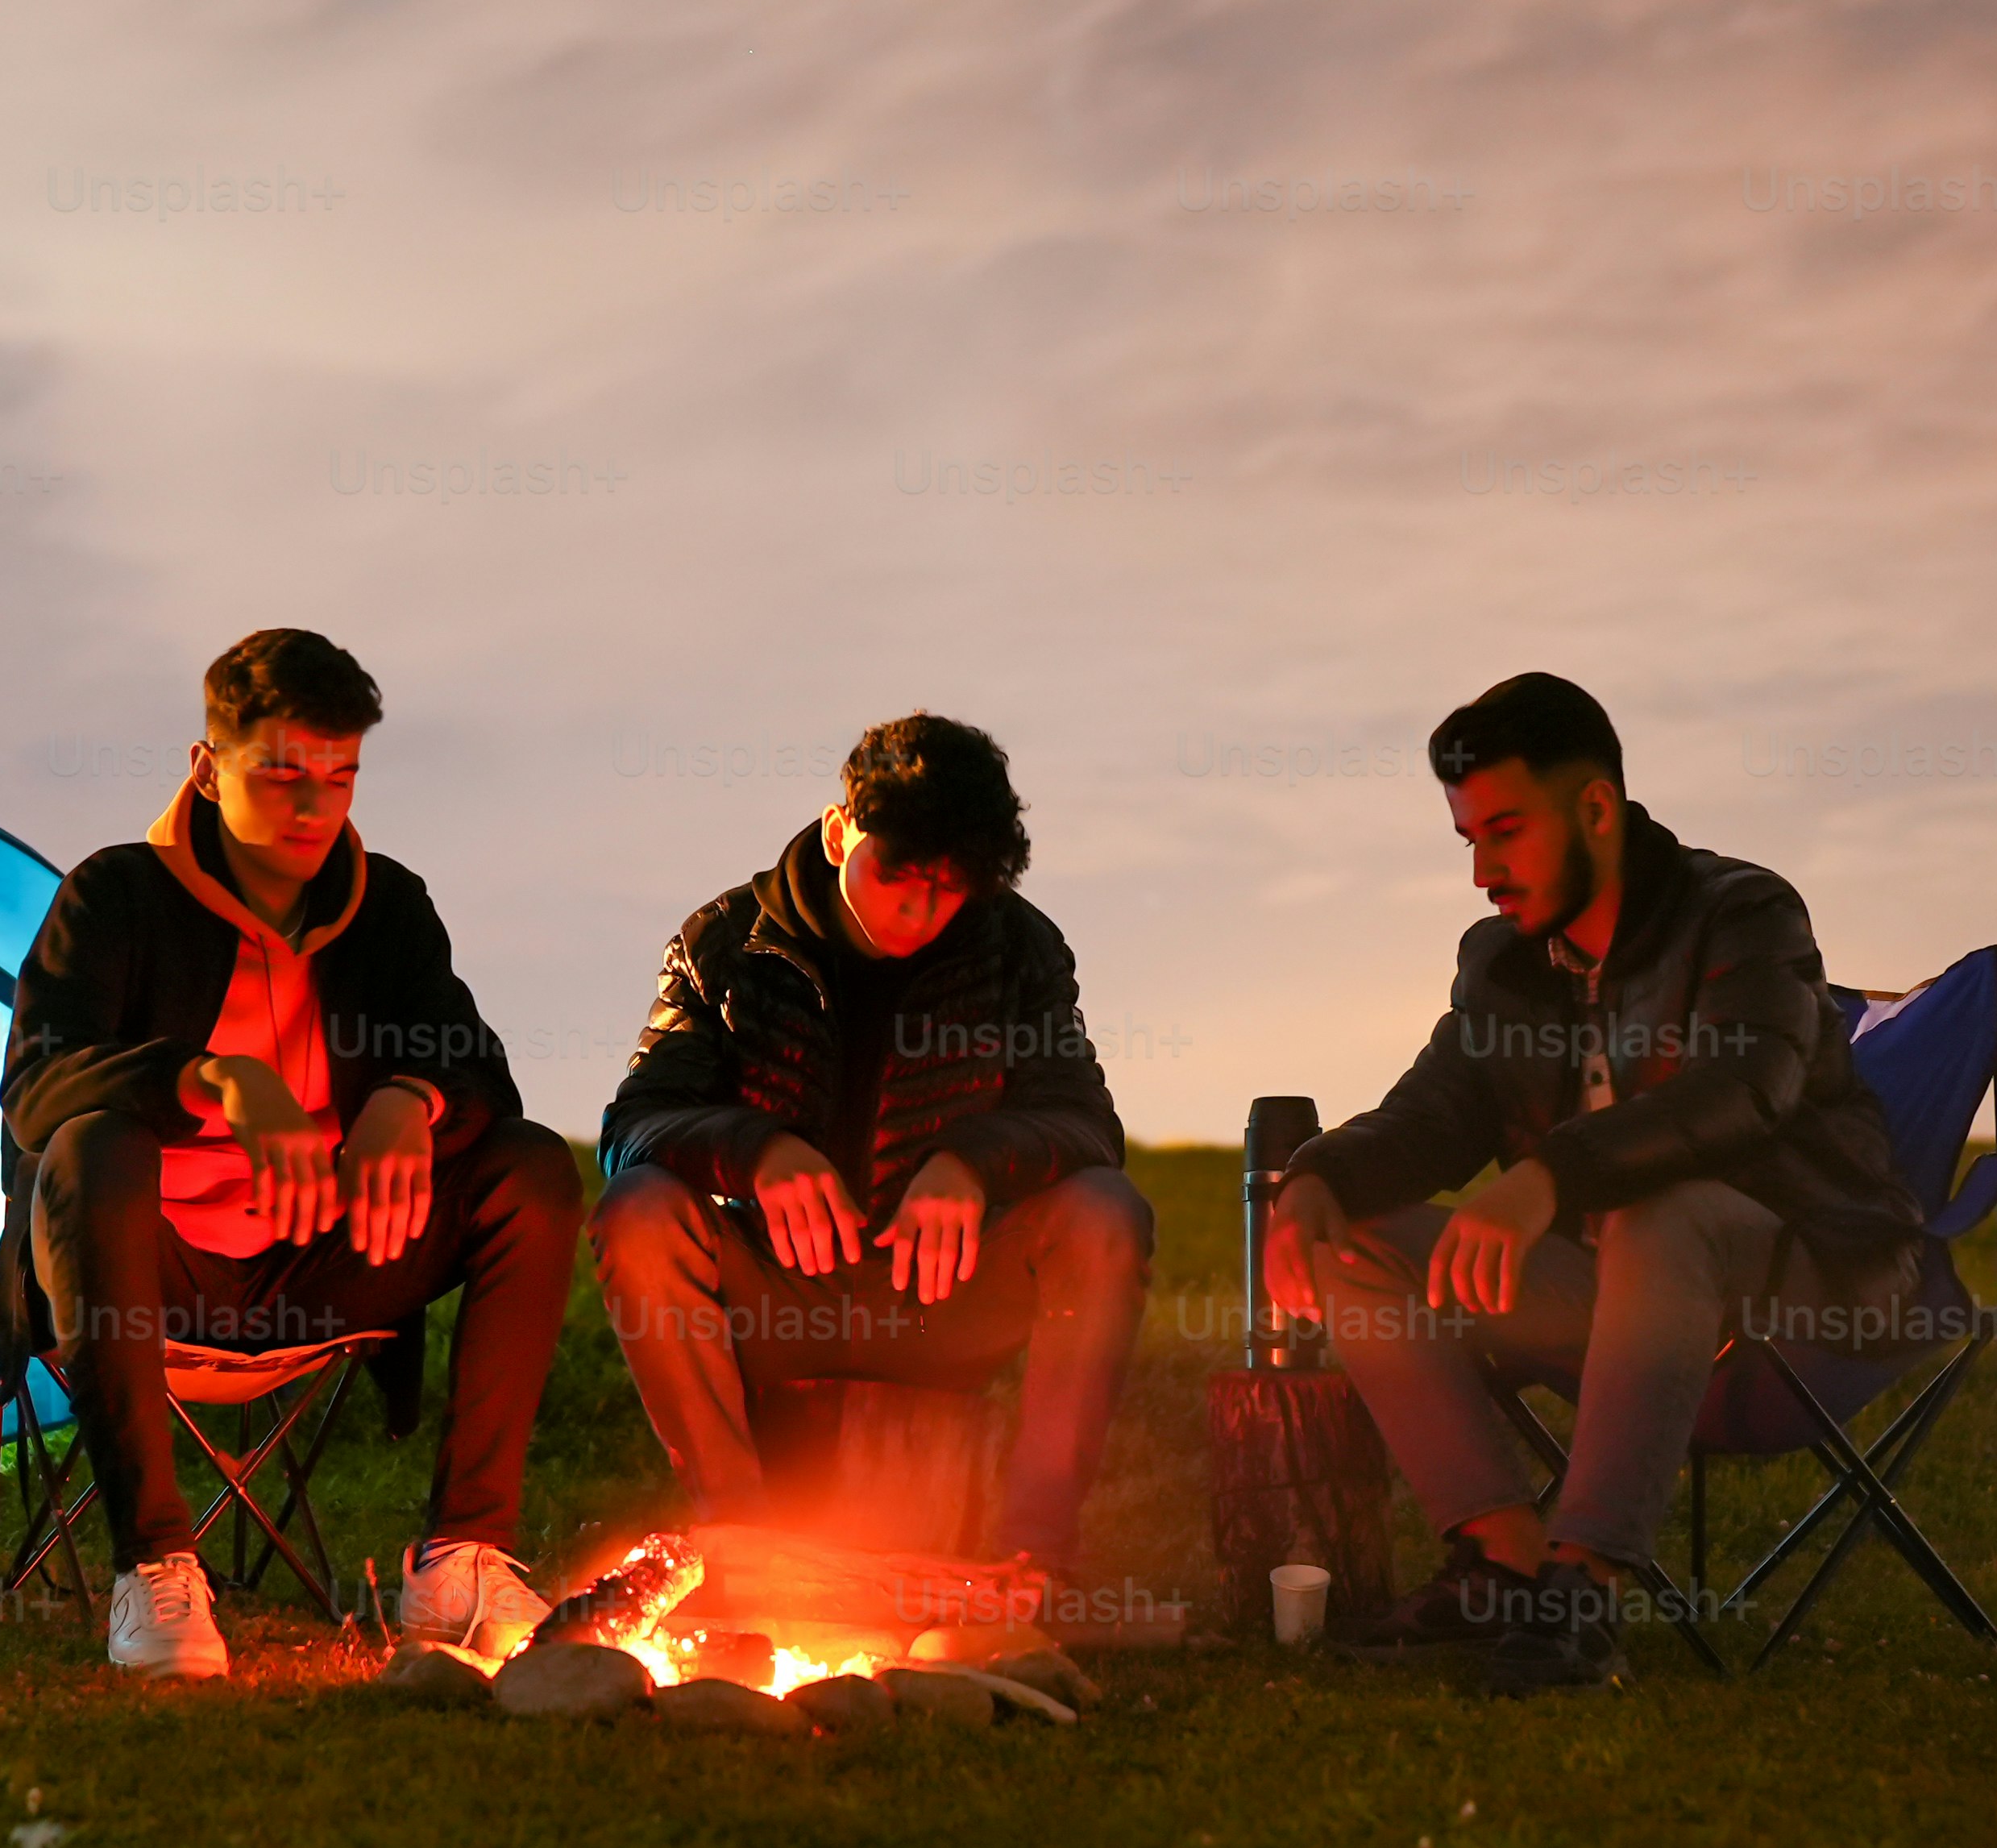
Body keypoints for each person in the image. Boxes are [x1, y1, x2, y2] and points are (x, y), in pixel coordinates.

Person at [1262, 671, 1928, 1692]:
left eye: (1507, 832)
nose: (1484, 869)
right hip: (1618, 1305)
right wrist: (1320, 1178)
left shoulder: (1744, 914)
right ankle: (1504, 1564)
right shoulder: (1506, 965)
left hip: (1800, 1287)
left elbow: (1745, 1090)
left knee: (1663, 1215)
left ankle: (1586, 1589)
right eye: (1470, 840)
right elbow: (1433, 1114)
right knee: (1353, 1244)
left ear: (1597, 810)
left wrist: (1549, 1180)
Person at [0, 628, 582, 1680]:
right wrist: (214, 1079)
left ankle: (462, 1559)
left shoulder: (387, 907)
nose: (314, 808)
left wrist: (410, 1100)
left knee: (532, 1170)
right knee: (88, 1152)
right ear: (205, 765)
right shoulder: (116, 896)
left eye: (339, 777)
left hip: (321, 1267)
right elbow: (37, 1092)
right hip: (148, 1273)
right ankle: (156, 1566)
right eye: (281, 774)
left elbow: (478, 1072)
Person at [592, 712, 1149, 1584]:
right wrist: (757, 1150)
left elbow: (1085, 1126)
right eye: (899, 875)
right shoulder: (726, 942)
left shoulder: (1020, 947)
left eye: (951, 886)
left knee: (1106, 1211)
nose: (920, 910)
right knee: (639, 1212)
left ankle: (1035, 1558)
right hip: (776, 1301)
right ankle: (742, 1544)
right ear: (839, 826)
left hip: (942, 1300)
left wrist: (971, 1162)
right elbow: (633, 1129)